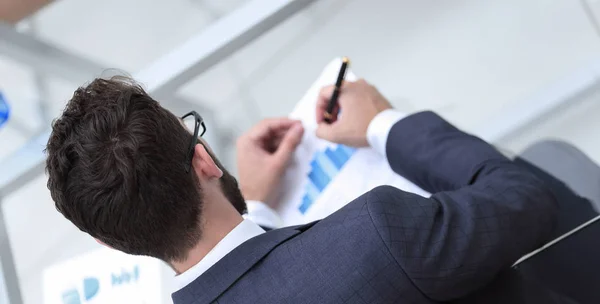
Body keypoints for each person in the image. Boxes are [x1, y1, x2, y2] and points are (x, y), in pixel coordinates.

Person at [46, 77, 568, 303]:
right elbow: (528, 198)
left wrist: (256, 204)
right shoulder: (376, 235)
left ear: (110, 243)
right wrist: (384, 123)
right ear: (203, 159)